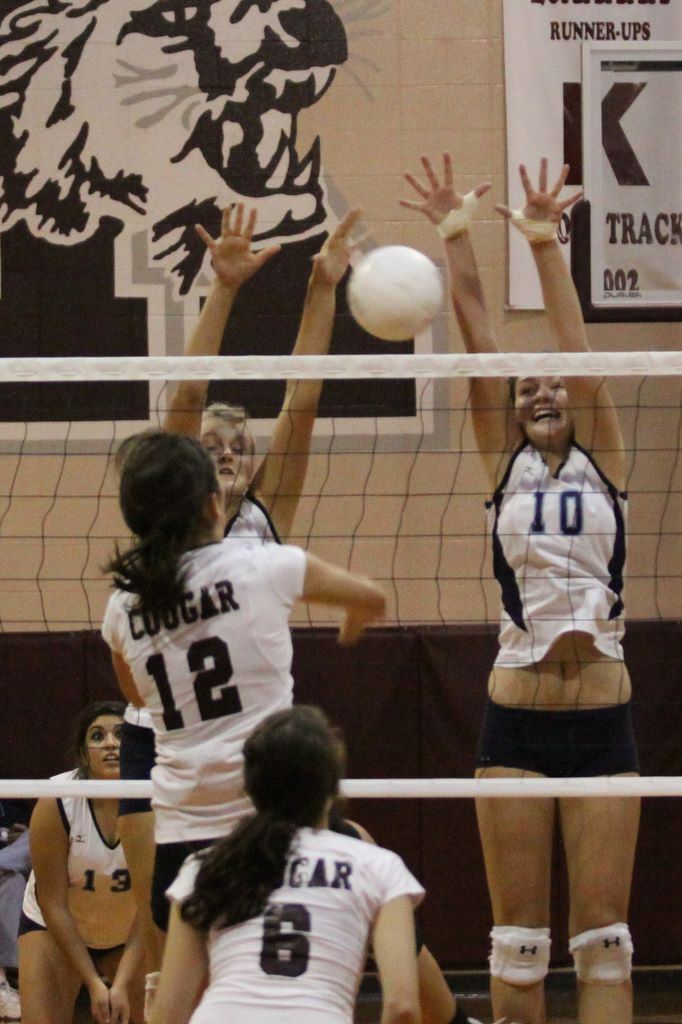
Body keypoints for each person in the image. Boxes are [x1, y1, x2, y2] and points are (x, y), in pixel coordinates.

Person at [401, 154, 639, 1024]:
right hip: (517, 721)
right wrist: (455, 237)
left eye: (553, 386)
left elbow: (580, 355)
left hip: (603, 720)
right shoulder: (504, 466)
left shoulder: (603, 460)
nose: (542, 390)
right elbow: (478, 346)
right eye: (527, 386)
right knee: (519, 942)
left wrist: (543, 243)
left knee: (604, 943)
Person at [115, 200, 363, 990]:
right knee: (171, 948)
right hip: (170, 744)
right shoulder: (165, 516)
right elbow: (183, 401)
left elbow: (303, 401)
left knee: (266, 927)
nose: (226, 454)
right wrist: (223, 288)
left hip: (254, 746)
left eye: (239, 447)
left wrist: (321, 290)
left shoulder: (264, 516)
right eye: (211, 446)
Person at [101, 431, 385, 998]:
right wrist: (349, 626)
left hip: (182, 838)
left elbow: (136, 696)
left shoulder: (122, 607)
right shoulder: (265, 566)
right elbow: (371, 599)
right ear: (214, 504)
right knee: (374, 891)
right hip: (274, 822)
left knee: (198, 998)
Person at [149, 703, 422, 1024]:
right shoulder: (377, 866)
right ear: (333, 787)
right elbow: (402, 1007)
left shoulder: (204, 867)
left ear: (249, 788)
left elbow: (168, 1016)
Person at [18, 701, 145, 1024]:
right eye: (98, 736)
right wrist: (93, 981)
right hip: (55, 928)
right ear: (83, 753)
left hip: (127, 932)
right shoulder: (57, 800)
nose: (111, 743)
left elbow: (150, 905)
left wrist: (121, 983)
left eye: (121, 734)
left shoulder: (155, 801)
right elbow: (52, 903)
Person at [0, 800, 32, 1022]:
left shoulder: (15, 802)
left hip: (11, 866)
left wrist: (16, 838)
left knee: (36, 835)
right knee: (12, 882)